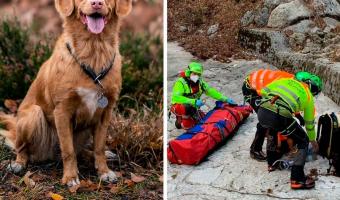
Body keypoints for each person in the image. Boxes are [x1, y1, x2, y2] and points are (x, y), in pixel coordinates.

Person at [257, 71, 322, 189]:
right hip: (280, 114)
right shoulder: (308, 95)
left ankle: (272, 163)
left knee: (273, 129)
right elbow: (309, 124)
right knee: (303, 140)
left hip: (262, 110)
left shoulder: (285, 80)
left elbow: (263, 91)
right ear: (312, 87)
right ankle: (297, 179)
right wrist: (312, 140)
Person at [242, 69, 295, 161]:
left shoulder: (293, 83)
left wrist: (297, 115)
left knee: (274, 116)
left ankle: (278, 143)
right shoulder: (283, 83)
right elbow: (265, 93)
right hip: (252, 89)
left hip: (263, 86)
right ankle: (255, 150)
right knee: (266, 118)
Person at [171, 62, 237, 129]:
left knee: (203, 119)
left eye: (198, 74)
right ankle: (183, 123)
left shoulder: (200, 83)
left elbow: (211, 91)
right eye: (194, 73)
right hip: (180, 106)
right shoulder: (181, 83)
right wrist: (194, 101)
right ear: (189, 72)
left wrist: (225, 99)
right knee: (187, 111)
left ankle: (189, 118)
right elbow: (176, 97)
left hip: (194, 106)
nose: (196, 76)